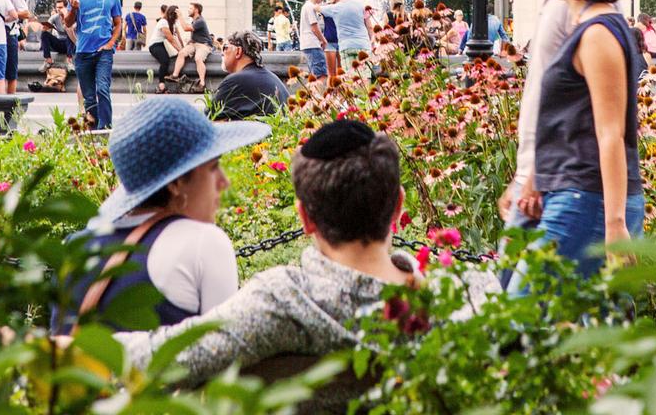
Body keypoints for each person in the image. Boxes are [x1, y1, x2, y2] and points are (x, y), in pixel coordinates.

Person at [116, 119, 463, 387]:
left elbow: (160, 358)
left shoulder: (284, 301)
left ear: (305, 218)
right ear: (399, 205)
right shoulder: (461, 299)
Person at [70, 97, 268, 332]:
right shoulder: (204, 243)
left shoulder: (75, 248)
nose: (224, 182)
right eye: (213, 167)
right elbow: (226, 354)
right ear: (176, 184)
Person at [528, 0, 644, 278]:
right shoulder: (598, 27)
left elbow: (610, 133)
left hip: (585, 201)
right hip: (580, 196)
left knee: (522, 315)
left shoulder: (597, 33)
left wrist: (614, 224)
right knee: (584, 324)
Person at [500, 0, 593, 232]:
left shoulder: (574, 8)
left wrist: (533, 176)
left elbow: (575, 108)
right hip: (542, 180)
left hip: (552, 187)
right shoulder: (559, 1)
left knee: (519, 285)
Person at [65, 0, 124, 129]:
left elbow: (118, 23)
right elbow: (68, 23)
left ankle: (106, 127)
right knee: (89, 96)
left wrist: (111, 43)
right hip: (83, 51)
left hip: (103, 52)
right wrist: (74, 8)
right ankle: (95, 128)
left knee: (102, 89)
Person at [210, 30, 289, 120]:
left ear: (238, 51)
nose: (222, 52)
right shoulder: (273, 77)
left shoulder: (235, 81)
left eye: (225, 47)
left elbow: (209, 119)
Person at [326, 0, 373, 72]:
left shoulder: (350, 7)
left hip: (345, 43)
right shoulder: (330, 7)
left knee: (346, 72)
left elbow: (316, 8)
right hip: (334, 42)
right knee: (337, 72)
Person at [170, 2, 214, 90]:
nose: (188, 10)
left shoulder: (200, 21)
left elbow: (186, 28)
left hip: (204, 45)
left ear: (196, 10)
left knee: (198, 58)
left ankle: (202, 83)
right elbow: (194, 34)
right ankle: (175, 75)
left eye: (190, 8)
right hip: (194, 43)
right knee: (182, 53)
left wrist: (180, 16)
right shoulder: (194, 20)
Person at [298, 0, 328, 79]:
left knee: (314, 75)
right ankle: (318, 94)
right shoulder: (311, 7)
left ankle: (313, 93)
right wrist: (323, 40)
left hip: (307, 44)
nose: (322, 0)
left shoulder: (306, 6)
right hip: (313, 44)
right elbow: (314, 27)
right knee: (321, 75)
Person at [148, 4, 184, 79]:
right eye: (177, 15)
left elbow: (177, 38)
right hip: (155, 45)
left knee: (174, 58)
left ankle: (171, 77)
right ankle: (161, 85)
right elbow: (171, 39)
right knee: (165, 61)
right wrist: (181, 50)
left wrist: (182, 48)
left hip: (163, 44)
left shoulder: (172, 24)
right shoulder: (163, 22)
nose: (178, 17)